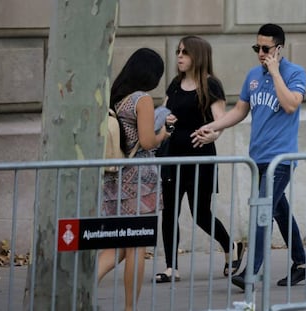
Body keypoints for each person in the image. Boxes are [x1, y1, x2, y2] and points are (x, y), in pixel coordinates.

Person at [192, 24, 306, 290]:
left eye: (266, 48)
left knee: (261, 211)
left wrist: (274, 71)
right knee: (279, 211)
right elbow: (240, 111)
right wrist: (213, 127)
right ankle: (302, 264)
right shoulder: (252, 76)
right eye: (256, 47)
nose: (260, 53)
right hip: (257, 158)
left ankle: (251, 273)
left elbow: (291, 104)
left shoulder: (295, 73)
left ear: (279, 49)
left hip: (280, 160)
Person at [154, 35, 245, 283]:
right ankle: (171, 267)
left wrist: (211, 135)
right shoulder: (175, 84)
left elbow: (220, 120)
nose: (179, 56)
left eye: (185, 52)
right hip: (172, 157)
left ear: (198, 56)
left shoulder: (210, 85)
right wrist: (165, 118)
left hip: (200, 158)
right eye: (178, 51)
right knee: (170, 211)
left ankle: (230, 246)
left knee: (200, 214)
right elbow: (162, 111)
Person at [98, 48, 170, 311]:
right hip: (140, 180)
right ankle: (130, 308)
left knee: (119, 244)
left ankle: (76, 291)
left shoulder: (116, 97)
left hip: (114, 179)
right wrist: (163, 133)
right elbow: (148, 141)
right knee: (138, 246)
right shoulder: (142, 100)